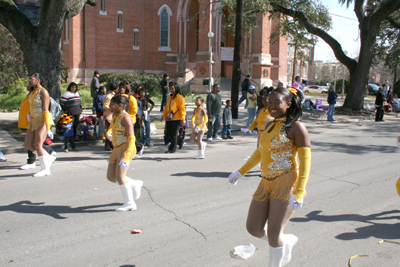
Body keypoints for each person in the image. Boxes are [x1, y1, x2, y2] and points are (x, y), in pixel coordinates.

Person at [228, 87, 311, 267]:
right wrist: (241, 171)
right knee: (254, 228)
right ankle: (285, 240)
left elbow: (305, 162)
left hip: (286, 183)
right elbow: (260, 152)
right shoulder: (269, 124)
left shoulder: (297, 127)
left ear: (288, 104)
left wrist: (299, 191)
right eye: (269, 101)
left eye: (277, 102)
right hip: (266, 182)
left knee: (273, 235)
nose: (272, 106)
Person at [105, 95, 143, 211]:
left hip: (126, 148)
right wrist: (109, 135)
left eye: (113, 104)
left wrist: (126, 156)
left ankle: (130, 203)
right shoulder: (116, 115)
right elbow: (112, 128)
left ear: (120, 106)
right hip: (116, 148)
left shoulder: (126, 118)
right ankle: (135, 184)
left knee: (120, 177)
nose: (110, 106)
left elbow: (132, 138)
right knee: (111, 177)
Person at [24, 73, 55, 177]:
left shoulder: (43, 92)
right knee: (27, 144)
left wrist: (48, 127)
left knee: (38, 145)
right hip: (33, 120)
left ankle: (45, 169)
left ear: (38, 80)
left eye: (31, 79)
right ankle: (47, 156)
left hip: (42, 120)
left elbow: (46, 110)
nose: (29, 81)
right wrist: (29, 114)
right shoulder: (32, 92)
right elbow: (31, 106)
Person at [161, 83, 186, 153]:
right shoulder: (170, 98)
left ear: (176, 89)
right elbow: (166, 108)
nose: (171, 90)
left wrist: (183, 119)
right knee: (169, 133)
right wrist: (163, 116)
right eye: (170, 88)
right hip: (169, 118)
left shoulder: (180, 98)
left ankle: (171, 149)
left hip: (177, 118)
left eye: (173, 88)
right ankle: (180, 141)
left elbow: (182, 109)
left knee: (174, 134)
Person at [103, 82, 119, 150]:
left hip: (112, 116)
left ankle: (111, 144)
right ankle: (107, 145)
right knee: (109, 131)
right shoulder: (109, 96)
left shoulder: (113, 95)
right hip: (108, 116)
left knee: (112, 131)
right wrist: (112, 108)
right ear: (115, 89)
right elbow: (105, 105)